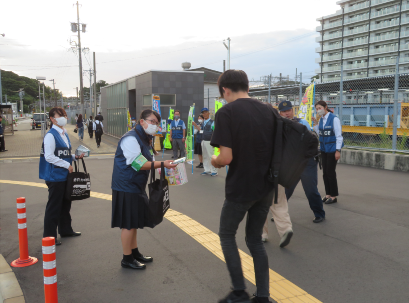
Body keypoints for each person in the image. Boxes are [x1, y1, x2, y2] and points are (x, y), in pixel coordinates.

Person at [211, 70, 276, 303]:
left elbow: (225, 157)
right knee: (255, 239)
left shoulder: (227, 112)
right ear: (246, 86)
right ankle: (263, 296)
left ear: (225, 90)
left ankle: (239, 291)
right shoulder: (269, 110)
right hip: (266, 187)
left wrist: (214, 160)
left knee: (227, 235)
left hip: (241, 187)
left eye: (223, 95)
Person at [111, 109, 177, 270]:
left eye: (157, 123)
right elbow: (137, 163)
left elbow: (149, 161)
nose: (155, 125)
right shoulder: (130, 138)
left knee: (133, 221)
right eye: (152, 121)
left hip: (135, 185)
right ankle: (127, 258)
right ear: (142, 121)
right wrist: (163, 164)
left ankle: (134, 252)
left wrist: (163, 166)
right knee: (128, 223)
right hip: (126, 185)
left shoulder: (144, 138)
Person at [40, 107, 84, 246]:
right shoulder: (50, 135)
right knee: (54, 206)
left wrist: (75, 157)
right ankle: (49, 237)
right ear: (52, 119)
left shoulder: (64, 133)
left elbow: (63, 154)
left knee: (66, 204)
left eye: (64, 115)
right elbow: (49, 156)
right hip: (55, 176)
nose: (64, 117)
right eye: (61, 115)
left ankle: (65, 230)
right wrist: (66, 165)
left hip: (65, 175)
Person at [278, 101, 326, 223]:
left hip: (306, 162)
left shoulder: (302, 123)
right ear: (280, 113)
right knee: (284, 191)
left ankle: (319, 213)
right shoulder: (278, 126)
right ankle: (279, 214)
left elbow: (311, 141)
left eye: (288, 110)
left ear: (292, 110)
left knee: (311, 190)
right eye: (283, 111)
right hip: (290, 164)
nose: (286, 113)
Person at [312, 101, 344, 205]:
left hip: (332, 150)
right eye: (317, 109)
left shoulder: (334, 119)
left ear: (325, 107)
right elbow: (321, 134)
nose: (318, 110)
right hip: (324, 149)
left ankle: (333, 196)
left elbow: (339, 136)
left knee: (330, 173)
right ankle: (328, 194)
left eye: (320, 108)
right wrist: (316, 125)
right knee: (325, 173)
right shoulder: (321, 119)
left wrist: (338, 150)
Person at [198, 107, 218, 177]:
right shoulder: (203, 122)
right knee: (205, 156)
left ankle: (214, 171)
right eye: (203, 113)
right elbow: (201, 131)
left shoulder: (212, 122)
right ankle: (207, 170)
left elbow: (215, 132)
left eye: (206, 112)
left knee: (211, 156)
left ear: (209, 113)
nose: (205, 114)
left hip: (209, 141)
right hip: (203, 140)